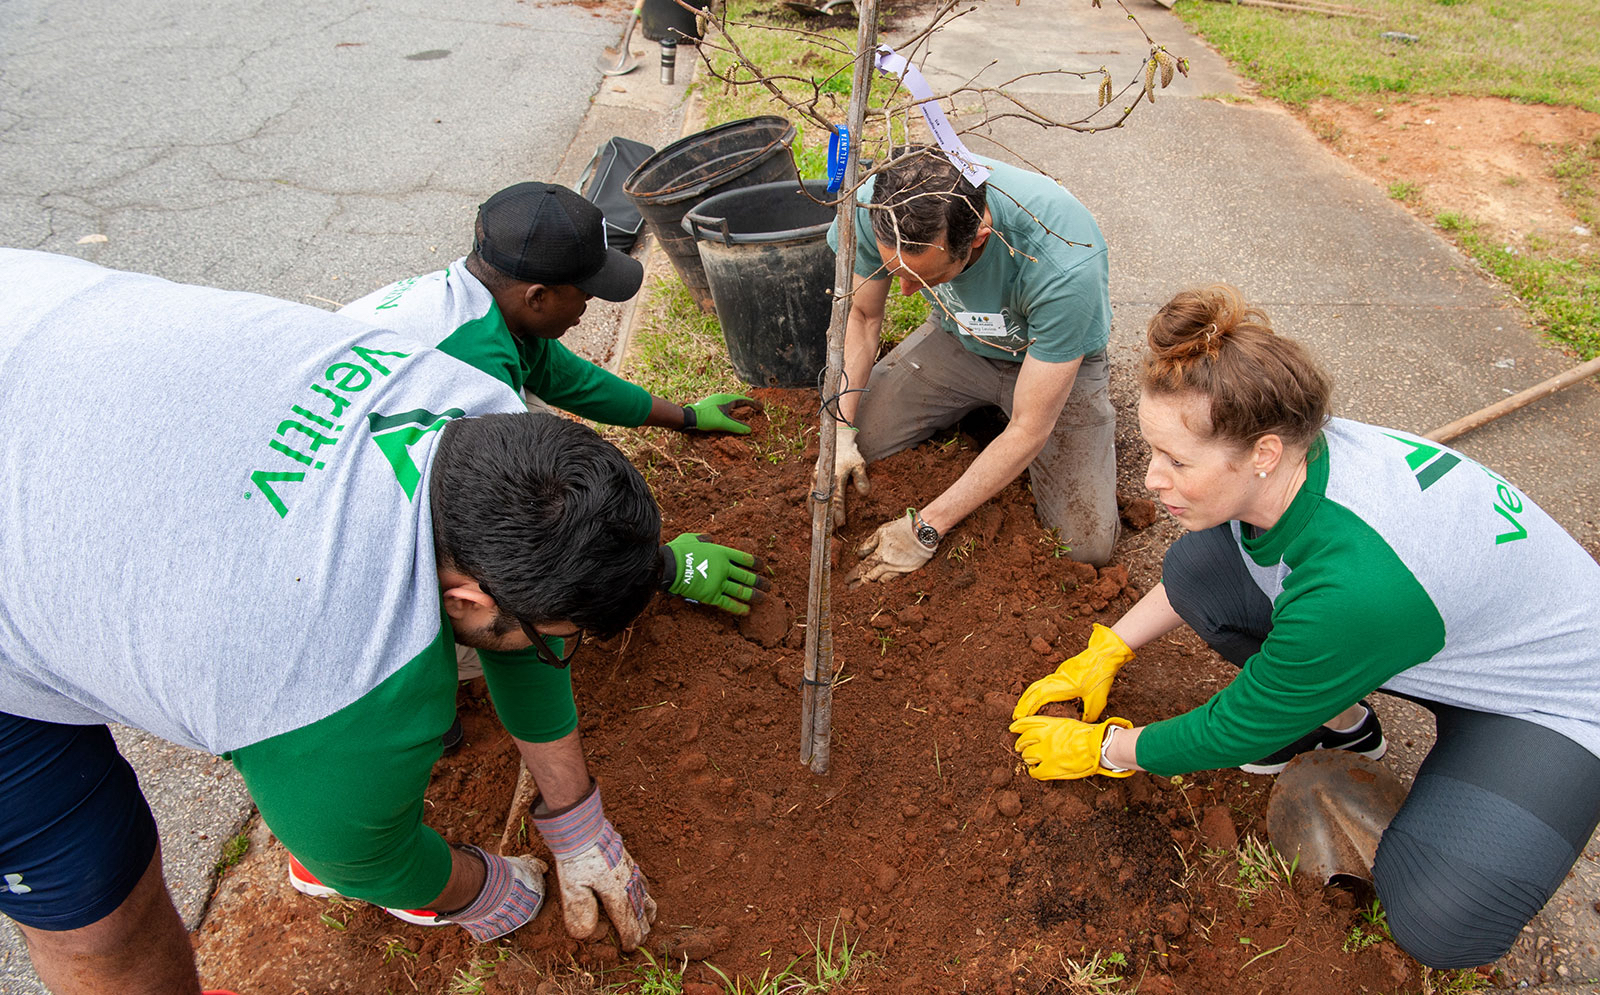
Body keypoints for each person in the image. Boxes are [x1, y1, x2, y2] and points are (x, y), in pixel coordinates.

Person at [0, 250, 670, 995]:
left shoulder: (487, 419)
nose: (557, 653)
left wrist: (576, 819)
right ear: (467, 600)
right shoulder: (322, 673)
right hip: (29, 538)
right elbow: (362, 859)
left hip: (38, 326)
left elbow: (517, 615)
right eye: (561, 641)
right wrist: (476, 885)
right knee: (100, 900)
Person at [1008, 283, 1600, 969]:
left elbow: (1235, 727)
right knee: (1203, 563)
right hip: (1435, 627)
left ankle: (1444, 786)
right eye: (1153, 450)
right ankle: (1342, 720)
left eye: (1177, 461)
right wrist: (1106, 646)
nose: (1153, 479)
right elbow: (1197, 580)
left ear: (1262, 452)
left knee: (1442, 922)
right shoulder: (1298, 451)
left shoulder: (1352, 585)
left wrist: (1108, 750)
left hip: (1550, 698)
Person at [820, 146, 1117, 582]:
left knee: (1085, 547)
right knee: (859, 436)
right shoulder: (874, 208)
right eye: (895, 270)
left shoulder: (1063, 264)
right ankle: (977, 418)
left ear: (979, 235)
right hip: (959, 340)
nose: (903, 290)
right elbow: (862, 317)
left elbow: (1029, 428)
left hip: (1049, 364)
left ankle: (1010, 428)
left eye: (924, 277)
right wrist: (841, 430)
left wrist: (925, 527)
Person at [339, 180, 764, 440]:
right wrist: (666, 566)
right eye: (585, 290)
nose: (590, 301)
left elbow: (572, 381)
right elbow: (521, 502)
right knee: (536, 449)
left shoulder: (487, 301)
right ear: (537, 296)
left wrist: (686, 417)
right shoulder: (472, 369)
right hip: (334, 475)